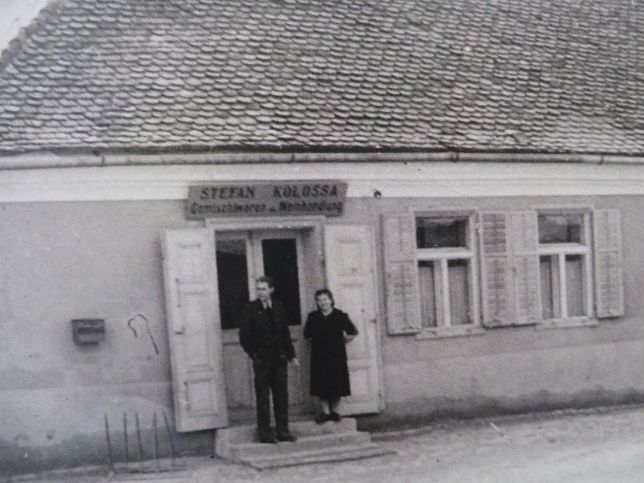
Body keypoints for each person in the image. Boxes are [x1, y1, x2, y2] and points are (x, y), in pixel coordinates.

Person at [239, 276, 299, 443]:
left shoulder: (279, 308)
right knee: (263, 397)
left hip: (279, 360)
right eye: (258, 289)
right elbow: (244, 336)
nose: (261, 292)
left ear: (271, 290)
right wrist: (255, 356)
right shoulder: (250, 308)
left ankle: (283, 430)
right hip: (262, 361)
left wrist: (292, 355)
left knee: (281, 395)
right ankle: (265, 433)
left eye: (264, 289)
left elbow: (285, 334)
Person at [304, 288, 358, 423]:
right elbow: (307, 335)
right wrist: (318, 342)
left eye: (325, 299)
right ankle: (325, 412)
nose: (322, 303)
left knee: (337, 383)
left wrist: (343, 341)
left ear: (331, 300)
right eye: (319, 300)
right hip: (319, 355)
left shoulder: (340, 315)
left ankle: (335, 412)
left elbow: (353, 332)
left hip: (336, 355)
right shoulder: (313, 317)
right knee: (321, 383)